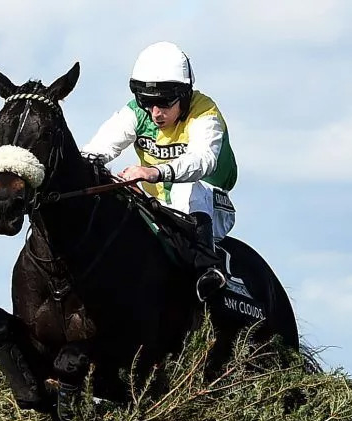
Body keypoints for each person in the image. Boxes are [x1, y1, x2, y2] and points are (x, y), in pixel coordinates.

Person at [81, 41, 238, 302]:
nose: (155, 113)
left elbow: (203, 160)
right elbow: (94, 151)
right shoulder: (136, 113)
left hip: (212, 204)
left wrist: (154, 172)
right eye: (147, 102)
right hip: (158, 207)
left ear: (185, 95)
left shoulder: (205, 113)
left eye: (164, 103)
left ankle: (208, 267)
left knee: (186, 187)